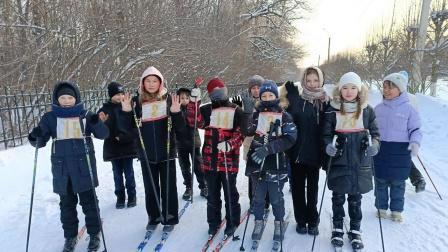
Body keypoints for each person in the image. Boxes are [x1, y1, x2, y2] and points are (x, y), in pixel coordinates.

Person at [28, 81, 109, 252]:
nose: (66, 101)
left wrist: (96, 122)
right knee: (66, 206)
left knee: (90, 203)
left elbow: (103, 134)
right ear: (57, 99)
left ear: (76, 98)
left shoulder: (85, 115)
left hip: (84, 167)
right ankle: (70, 236)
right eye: (62, 97)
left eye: (70, 97)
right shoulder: (50, 118)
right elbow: (40, 141)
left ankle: (94, 234)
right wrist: (35, 136)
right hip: (62, 170)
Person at [322, 72, 380, 250]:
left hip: (359, 163)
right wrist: (328, 146)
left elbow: (375, 133)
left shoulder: (367, 110)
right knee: (338, 197)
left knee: (356, 198)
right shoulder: (332, 110)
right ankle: (338, 227)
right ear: (340, 90)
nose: (349, 91)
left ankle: (355, 229)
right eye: (345, 88)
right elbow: (325, 135)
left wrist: (375, 146)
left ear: (359, 89)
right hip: (339, 162)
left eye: (353, 87)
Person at [124, 66, 185, 231]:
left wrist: (177, 112)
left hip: (167, 151)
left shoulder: (168, 100)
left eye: (155, 81)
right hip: (146, 152)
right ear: (142, 83)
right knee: (151, 187)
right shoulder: (136, 102)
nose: (151, 84)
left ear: (160, 83)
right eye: (148, 81)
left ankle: (170, 217)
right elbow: (128, 130)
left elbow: (180, 128)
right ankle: (154, 216)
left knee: (168, 186)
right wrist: (126, 112)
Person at [187, 77, 244, 237]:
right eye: (214, 92)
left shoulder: (235, 110)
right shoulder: (206, 110)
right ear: (210, 95)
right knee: (212, 195)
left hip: (229, 161)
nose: (218, 95)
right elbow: (194, 121)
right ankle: (213, 222)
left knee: (230, 193)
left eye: (221, 91)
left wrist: (231, 144)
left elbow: (241, 133)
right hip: (210, 161)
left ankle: (232, 221)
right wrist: (194, 101)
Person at [241, 80, 297, 242]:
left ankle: (279, 222)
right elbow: (247, 130)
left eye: (270, 94)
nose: (266, 98)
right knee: (258, 197)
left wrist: (270, 148)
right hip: (257, 162)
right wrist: (247, 112)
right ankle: (258, 220)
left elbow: (291, 138)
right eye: (263, 95)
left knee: (276, 197)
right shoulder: (257, 114)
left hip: (276, 163)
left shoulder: (284, 115)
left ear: (276, 96)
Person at [279, 67, 329, 235]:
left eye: (316, 80)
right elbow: (284, 113)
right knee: (298, 190)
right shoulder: (297, 100)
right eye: (309, 81)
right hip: (296, 154)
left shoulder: (326, 102)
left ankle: (313, 220)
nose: (312, 84)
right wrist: (288, 94)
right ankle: (301, 221)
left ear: (321, 81)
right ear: (303, 82)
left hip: (315, 154)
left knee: (313, 190)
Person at [373, 71, 423, 222]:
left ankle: (396, 210)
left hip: (400, 152)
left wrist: (415, 142)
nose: (386, 90)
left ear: (400, 89)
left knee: (398, 183)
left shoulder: (409, 109)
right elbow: (372, 128)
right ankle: (381, 208)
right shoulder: (378, 109)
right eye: (385, 87)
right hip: (381, 150)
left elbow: (415, 129)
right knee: (380, 180)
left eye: (390, 87)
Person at [97, 81, 138, 209]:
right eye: (116, 95)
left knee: (129, 172)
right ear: (110, 96)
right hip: (113, 147)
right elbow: (99, 126)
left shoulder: (128, 106)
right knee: (117, 174)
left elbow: (134, 126)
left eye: (121, 94)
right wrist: (100, 122)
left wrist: (125, 137)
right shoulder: (105, 109)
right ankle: (120, 196)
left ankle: (132, 195)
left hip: (127, 146)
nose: (120, 97)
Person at [176, 87, 207, 200]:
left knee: (198, 165)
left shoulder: (193, 108)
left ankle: (203, 186)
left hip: (193, 141)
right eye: (182, 98)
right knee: (184, 166)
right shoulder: (175, 109)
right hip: (180, 143)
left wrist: (194, 103)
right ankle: (188, 187)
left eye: (187, 98)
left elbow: (199, 121)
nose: (184, 100)